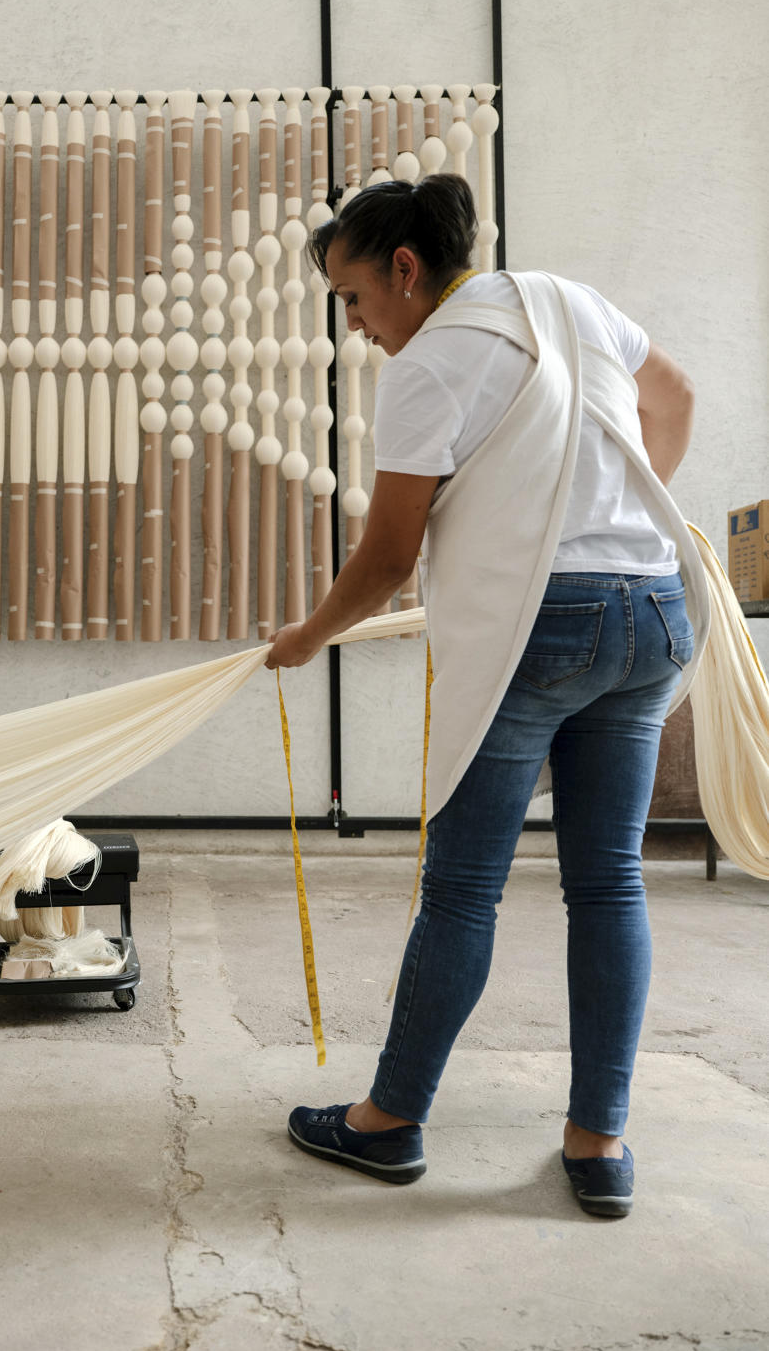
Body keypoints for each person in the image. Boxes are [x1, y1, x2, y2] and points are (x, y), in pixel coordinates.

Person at [265, 176, 706, 1219]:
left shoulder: (427, 367)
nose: (360, 329)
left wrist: (304, 642)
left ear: (405, 272)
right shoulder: (566, 299)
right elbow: (675, 402)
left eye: (355, 301)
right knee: (608, 884)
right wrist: (617, 527)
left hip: (541, 629)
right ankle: (599, 1145)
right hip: (650, 612)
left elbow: (386, 561)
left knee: (463, 889)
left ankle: (389, 1123)